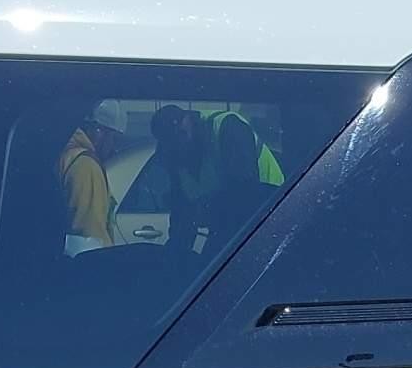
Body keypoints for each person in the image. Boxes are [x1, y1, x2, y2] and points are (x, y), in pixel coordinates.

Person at [149, 104, 283, 250]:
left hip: (272, 213)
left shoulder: (227, 127)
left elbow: (244, 193)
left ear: (189, 119)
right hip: (229, 224)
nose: (179, 144)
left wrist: (205, 210)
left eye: (181, 134)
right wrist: (175, 255)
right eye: (172, 141)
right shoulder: (175, 157)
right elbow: (182, 214)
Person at [59, 100, 131, 254]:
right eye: (114, 139)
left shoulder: (66, 154)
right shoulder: (86, 166)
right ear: (98, 130)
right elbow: (90, 233)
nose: (115, 148)